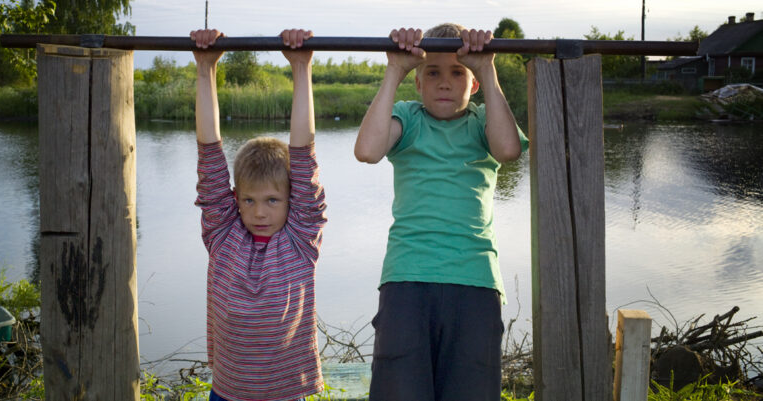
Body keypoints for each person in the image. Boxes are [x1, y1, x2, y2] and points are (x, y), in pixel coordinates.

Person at [354, 23, 529, 401]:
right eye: (432, 73)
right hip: (408, 280)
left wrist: (487, 67)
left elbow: (508, 150)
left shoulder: (483, 123)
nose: (445, 83)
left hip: (475, 281)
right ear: (418, 83)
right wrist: (394, 69)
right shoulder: (409, 118)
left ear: (474, 84)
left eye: (457, 73)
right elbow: (367, 151)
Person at [191, 28, 326, 401]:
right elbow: (209, 155)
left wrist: (301, 67)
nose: (259, 212)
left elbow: (303, 153)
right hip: (229, 391)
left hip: (286, 392)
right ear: (234, 198)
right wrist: (206, 70)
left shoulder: (300, 239)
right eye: (248, 200)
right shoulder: (223, 235)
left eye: (271, 200)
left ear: (291, 199)